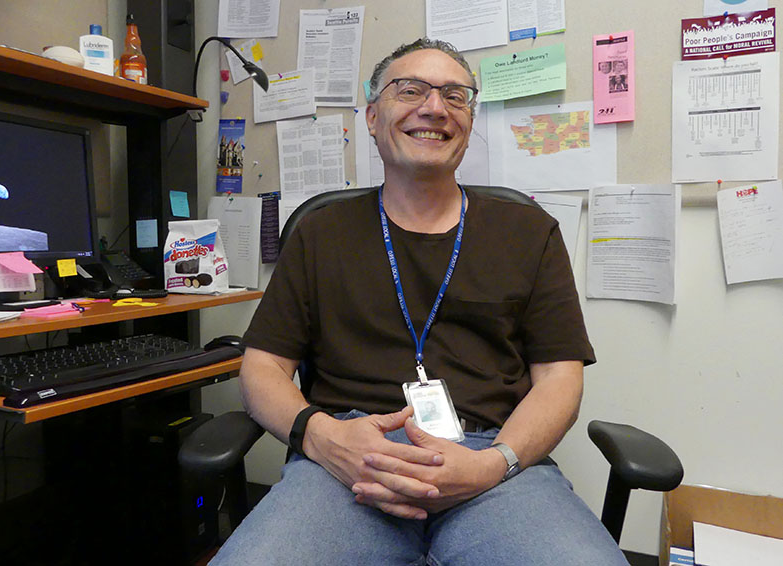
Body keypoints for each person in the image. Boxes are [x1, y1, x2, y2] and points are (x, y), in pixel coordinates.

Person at [209, 38, 629, 566]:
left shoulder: (529, 231)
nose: (434, 107)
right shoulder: (321, 232)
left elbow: (560, 379)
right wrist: (324, 439)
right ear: (371, 116)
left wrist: (493, 463)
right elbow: (262, 367)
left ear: (469, 122)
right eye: (410, 90)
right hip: (349, 461)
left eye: (455, 96)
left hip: (492, 465)